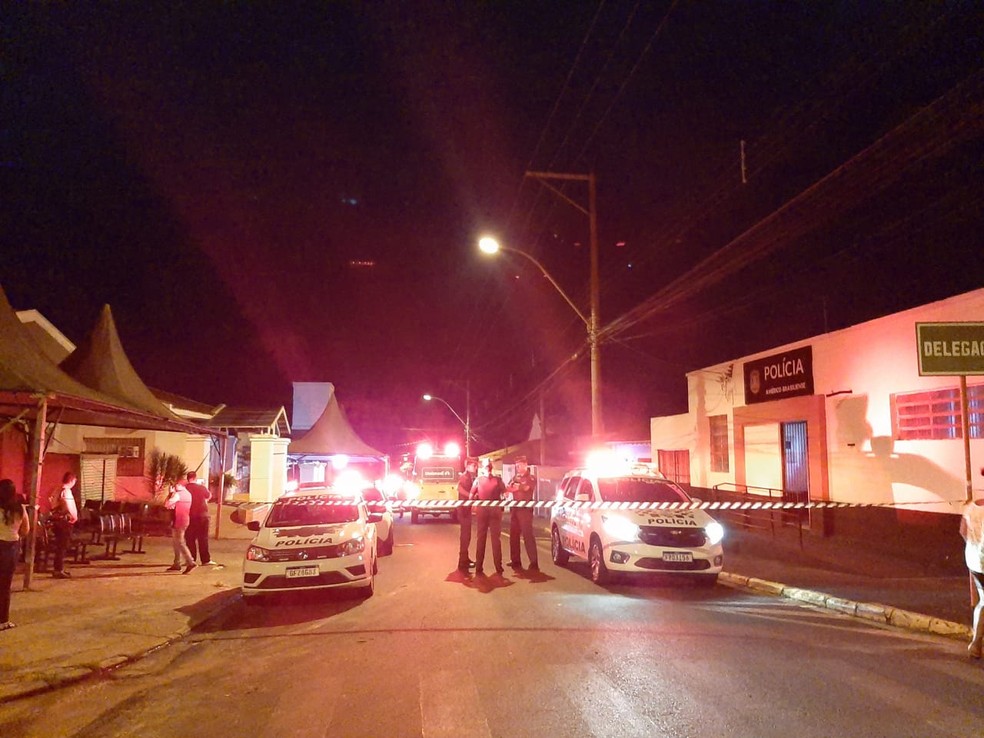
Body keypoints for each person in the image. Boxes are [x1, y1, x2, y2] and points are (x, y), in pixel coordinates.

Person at [960, 469, 984, 659]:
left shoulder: (970, 507)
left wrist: (974, 545)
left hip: (973, 560)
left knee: (983, 601)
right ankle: (975, 644)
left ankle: (976, 644)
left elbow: (962, 531)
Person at [0, 479, 30, 631]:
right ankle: (3, 621)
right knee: (5, 586)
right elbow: (25, 530)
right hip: (11, 547)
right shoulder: (20, 509)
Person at [471, 460, 505, 578]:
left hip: (482, 511)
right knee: (496, 540)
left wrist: (475, 501)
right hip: (495, 510)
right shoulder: (498, 480)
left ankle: (479, 567)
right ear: (491, 468)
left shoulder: (478, 480)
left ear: (483, 469)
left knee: (481, 539)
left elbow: (471, 496)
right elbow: (505, 494)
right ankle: (498, 568)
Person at [506, 456, 539, 572]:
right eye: (516, 466)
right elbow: (508, 488)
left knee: (527, 536)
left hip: (525, 510)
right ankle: (515, 561)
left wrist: (517, 487)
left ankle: (534, 562)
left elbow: (527, 488)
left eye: (519, 465)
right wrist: (513, 488)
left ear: (525, 464)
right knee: (513, 536)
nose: (517, 468)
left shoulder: (531, 477)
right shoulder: (515, 477)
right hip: (515, 509)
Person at [49, 471, 79, 579]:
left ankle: (59, 568)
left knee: (61, 546)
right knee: (62, 546)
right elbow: (65, 504)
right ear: (72, 480)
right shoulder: (65, 491)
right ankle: (58, 570)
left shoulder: (58, 489)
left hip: (60, 521)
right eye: (75, 481)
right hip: (64, 522)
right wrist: (71, 515)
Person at [184, 471, 216, 566]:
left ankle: (191, 559)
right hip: (203, 516)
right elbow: (209, 496)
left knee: (190, 539)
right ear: (195, 478)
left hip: (190, 517)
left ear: (188, 478)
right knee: (203, 538)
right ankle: (205, 560)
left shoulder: (185, 488)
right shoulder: (201, 487)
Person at [165, 480, 196, 573]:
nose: (175, 486)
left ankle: (190, 562)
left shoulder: (177, 494)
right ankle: (176, 563)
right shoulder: (188, 494)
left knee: (180, 542)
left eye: (177, 484)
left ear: (180, 485)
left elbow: (167, 505)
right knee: (176, 542)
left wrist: (170, 494)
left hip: (178, 520)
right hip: (185, 519)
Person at [456, 457, 479, 575]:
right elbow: (459, 488)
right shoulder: (465, 476)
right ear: (468, 466)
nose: (476, 468)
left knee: (467, 535)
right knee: (465, 536)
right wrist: (470, 495)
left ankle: (465, 559)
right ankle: (462, 562)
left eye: (476, 466)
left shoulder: (470, 477)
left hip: (466, 509)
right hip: (464, 510)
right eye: (474, 466)